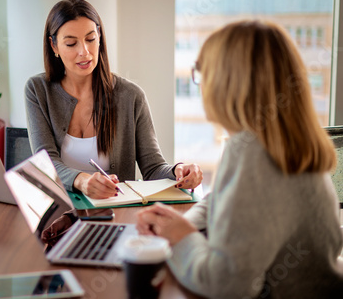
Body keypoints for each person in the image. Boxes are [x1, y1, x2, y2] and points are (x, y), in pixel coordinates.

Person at [136, 20, 343, 298]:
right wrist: (178, 224)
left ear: (228, 82)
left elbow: (226, 286)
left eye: (202, 72)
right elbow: (221, 199)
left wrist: (180, 237)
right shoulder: (270, 140)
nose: (200, 84)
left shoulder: (255, 154)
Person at [25, 0, 203, 199]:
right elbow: (45, 162)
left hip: (115, 214)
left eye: (91, 39)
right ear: (54, 46)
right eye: (71, 43)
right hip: (60, 214)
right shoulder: (37, 90)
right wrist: (82, 180)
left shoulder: (131, 96)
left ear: (100, 37)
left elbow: (153, 168)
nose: (84, 52)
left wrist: (178, 171)